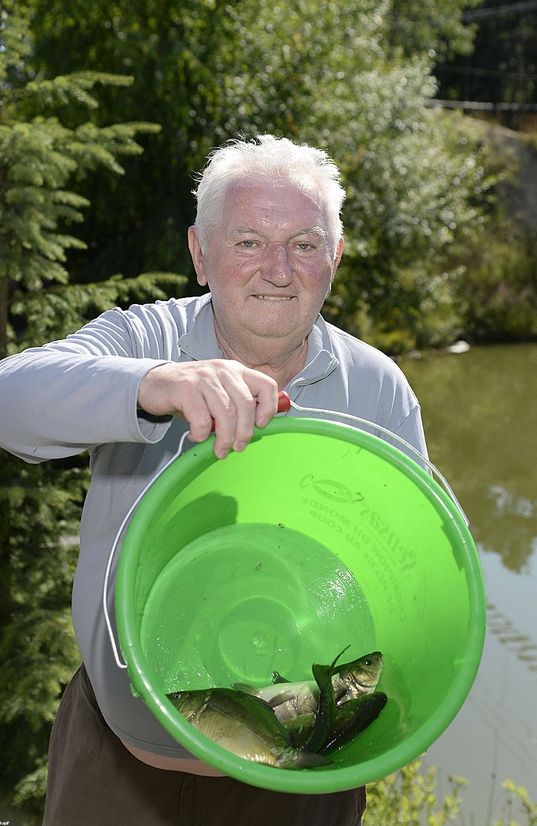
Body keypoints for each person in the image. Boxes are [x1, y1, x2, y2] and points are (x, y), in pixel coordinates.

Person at [0, 134, 428, 826]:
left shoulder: (378, 388)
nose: (278, 270)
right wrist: (154, 385)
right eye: (248, 242)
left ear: (336, 257)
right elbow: (9, 400)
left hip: (302, 776)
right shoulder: (144, 341)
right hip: (120, 767)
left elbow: (414, 577)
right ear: (200, 255)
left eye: (305, 245)